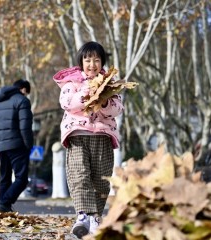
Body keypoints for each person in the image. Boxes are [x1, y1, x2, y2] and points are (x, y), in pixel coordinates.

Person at [53, 41, 124, 238]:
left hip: (102, 135)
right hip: (77, 134)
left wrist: (104, 102)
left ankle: (95, 218)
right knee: (79, 174)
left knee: (101, 179)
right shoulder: (72, 83)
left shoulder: (109, 83)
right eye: (87, 60)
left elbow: (118, 109)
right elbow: (67, 103)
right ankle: (82, 216)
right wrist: (87, 94)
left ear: (102, 62)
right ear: (81, 62)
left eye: (96, 60)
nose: (92, 64)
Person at [0, 79, 33, 212]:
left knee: (5, 178)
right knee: (21, 179)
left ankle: (4, 207)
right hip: (18, 145)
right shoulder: (22, 101)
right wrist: (28, 145)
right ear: (23, 89)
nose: (26, 95)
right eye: (26, 93)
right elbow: (25, 127)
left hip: (1, 147)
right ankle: (5, 202)